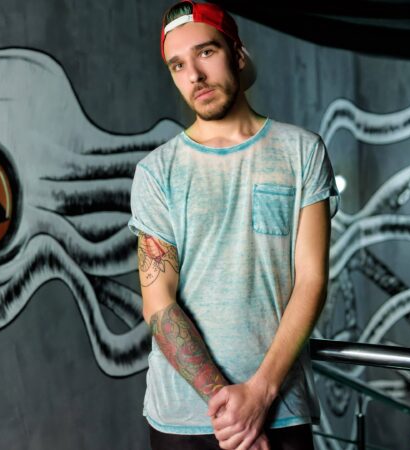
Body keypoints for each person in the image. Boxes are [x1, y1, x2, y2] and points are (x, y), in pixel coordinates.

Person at [128, 2, 340, 449]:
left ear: (238, 55)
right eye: (178, 65)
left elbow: (312, 280)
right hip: (182, 420)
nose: (194, 75)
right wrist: (232, 412)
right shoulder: (156, 172)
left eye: (206, 52)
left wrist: (259, 396)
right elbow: (159, 304)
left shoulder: (302, 152)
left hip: (279, 410)